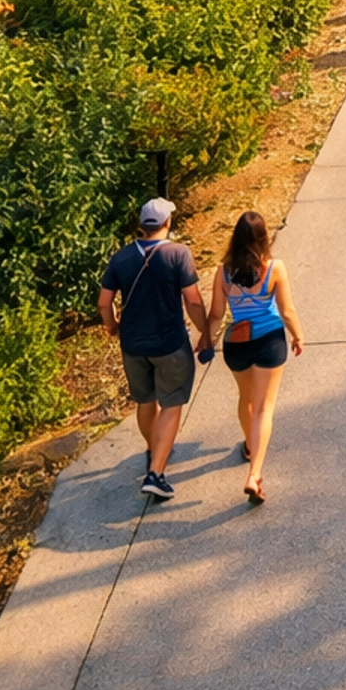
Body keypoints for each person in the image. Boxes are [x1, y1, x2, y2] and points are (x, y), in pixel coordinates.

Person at [98, 197, 209, 502]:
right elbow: (194, 300)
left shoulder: (120, 258)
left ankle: (153, 450)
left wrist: (112, 326)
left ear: (142, 225)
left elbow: (103, 302)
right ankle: (156, 473)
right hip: (169, 343)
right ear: (167, 223)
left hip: (133, 345)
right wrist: (206, 332)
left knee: (145, 400)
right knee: (171, 403)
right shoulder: (178, 254)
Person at [199, 210, 304, 505]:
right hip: (269, 340)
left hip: (238, 343)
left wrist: (206, 337)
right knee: (264, 408)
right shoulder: (274, 268)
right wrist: (297, 335)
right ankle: (254, 474)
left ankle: (249, 445)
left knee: (246, 399)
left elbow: (217, 313)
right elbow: (287, 310)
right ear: (263, 238)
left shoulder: (224, 271)